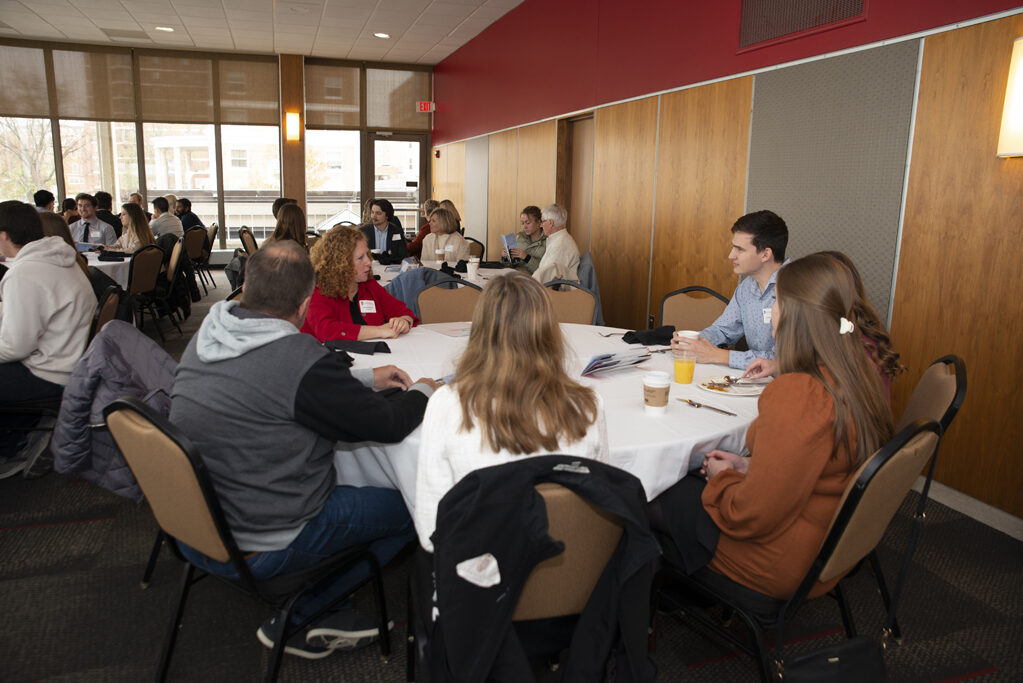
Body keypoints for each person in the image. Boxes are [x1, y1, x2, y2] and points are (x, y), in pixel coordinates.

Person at [170, 240, 438, 658]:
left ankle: (317, 597)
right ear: (304, 304)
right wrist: (423, 389)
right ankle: (309, 612)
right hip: (262, 538)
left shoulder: (212, 332)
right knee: (414, 506)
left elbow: (279, 386)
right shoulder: (297, 357)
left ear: (246, 288)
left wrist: (367, 379)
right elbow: (386, 425)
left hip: (194, 522)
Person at [652, 253, 894, 600]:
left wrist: (725, 477)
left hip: (777, 559)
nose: (770, 314)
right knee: (678, 486)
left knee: (640, 492)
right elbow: (816, 460)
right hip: (823, 539)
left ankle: (650, 606)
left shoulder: (800, 393)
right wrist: (749, 465)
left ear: (792, 315)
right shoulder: (855, 371)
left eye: (776, 303)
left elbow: (749, 515)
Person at [414, 273, 609, 550]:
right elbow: (600, 504)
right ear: (549, 331)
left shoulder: (447, 404)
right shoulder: (588, 405)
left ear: (480, 330)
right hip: (569, 573)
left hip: (477, 578)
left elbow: (431, 530)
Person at [0, 201, 94, 471]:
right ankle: (16, 434)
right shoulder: (56, 258)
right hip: (69, 363)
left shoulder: (24, 273)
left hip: (48, 375)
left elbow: (16, 347)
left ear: (4, 235)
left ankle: (10, 444)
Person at [744, 251, 906, 398]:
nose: (772, 308)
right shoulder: (855, 338)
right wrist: (779, 367)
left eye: (777, 300)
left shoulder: (847, 357)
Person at [671, 209, 789, 370]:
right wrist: (693, 342)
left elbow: (784, 359)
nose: (731, 255)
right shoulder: (746, 288)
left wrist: (718, 355)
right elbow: (724, 330)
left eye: (740, 249)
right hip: (757, 381)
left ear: (765, 254)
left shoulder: (798, 287)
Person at [301, 226, 418, 342]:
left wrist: (404, 321)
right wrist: (379, 331)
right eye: (360, 258)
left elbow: (402, 311)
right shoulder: (318, 290)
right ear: (341, 263)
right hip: (325, 357)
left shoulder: (368, 285)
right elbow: (327, 331)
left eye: (367, 254)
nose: (369, 262)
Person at [531, 203, 580, 284]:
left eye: (542, 222)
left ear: (550, 223)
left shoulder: (560, 246)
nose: (541, 226)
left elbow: (544, 279)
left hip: (552, 293)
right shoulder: (559, 239)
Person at [358, 198, 407, 263]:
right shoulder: (363, 232)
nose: (374, 216)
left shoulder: (397, 231)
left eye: (378, 213)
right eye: (372, 212)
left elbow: (402, 256)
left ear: (387, 215)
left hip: (391, 268)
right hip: (369, 268)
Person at [507, 205, 547, 275]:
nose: (524, 227)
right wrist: (506, 257)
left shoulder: (547, 242)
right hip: (514, 275)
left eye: (528, 223)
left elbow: (544, 271)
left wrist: (526, 257)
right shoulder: (520, 237)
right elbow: (510, 265)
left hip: (531, 280)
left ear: (539, 223)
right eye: (522, 223)